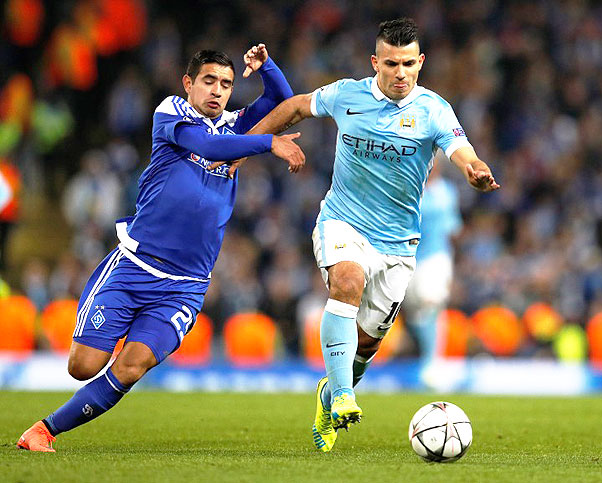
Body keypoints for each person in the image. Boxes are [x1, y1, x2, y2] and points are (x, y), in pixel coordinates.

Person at [220, 18, 499, 452]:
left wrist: (475, 170)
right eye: (391, 63)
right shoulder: (346, 94)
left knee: (364, 348)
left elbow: (460, 150)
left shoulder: (434, 109)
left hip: (398, 244)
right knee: (346, 281)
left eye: (409, 63)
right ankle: (345, 397)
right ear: (376, 63)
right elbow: (295, 107)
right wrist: (246, 146)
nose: (401, 72)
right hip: (343, 222)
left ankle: (330, 393)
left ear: (421, 62)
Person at [16, 44, 304, 452]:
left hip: (185, 285)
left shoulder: (234, 127)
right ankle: (104, 322)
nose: (218, 91)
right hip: (135, 266)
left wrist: (267, 67)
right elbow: (208, 148)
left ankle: (42, 431)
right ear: (188, 83)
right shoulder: (172, 112)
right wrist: (267, 144)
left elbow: (283, 102)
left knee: (131, 367)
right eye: (209, 81)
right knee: (83, 367)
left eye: (225, 83)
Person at [402, 155, 462, 387]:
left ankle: (433, 363)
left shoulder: (447, 192)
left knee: (432, 301)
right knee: (416, 311)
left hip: (437, 256)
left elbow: (452, 231)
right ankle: (422, 358)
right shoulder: (408, 187)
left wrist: (452, 268)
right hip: (409, 257)